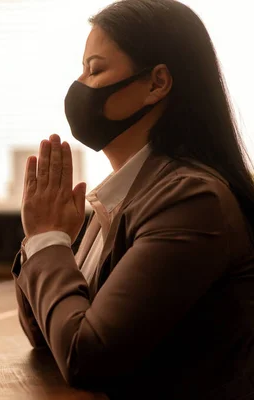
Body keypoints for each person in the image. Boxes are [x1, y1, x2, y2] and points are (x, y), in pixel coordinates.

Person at [13, 1, 254, 399]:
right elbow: (46, 337)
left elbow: (84, 357)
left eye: (95, 69)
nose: (79, 85)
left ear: (157, 83)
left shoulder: (191, 200)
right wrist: (50, 237)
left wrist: (46, 240)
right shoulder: (121, 195)